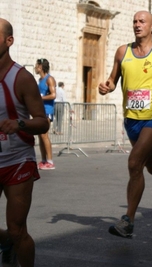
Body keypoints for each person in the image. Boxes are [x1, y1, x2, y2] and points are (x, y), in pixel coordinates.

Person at [98, 10, 152, 238]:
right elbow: (113, 79)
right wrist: (106, 86)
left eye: (142, 21)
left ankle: (128, 221)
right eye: (135, 21)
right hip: (132, 118)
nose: (137, 25)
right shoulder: (122, 52)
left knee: (135, 162)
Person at [0, 18, 49, 267]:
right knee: (11, 233)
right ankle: (6, 241)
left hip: (17, 161)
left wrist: (18, 124)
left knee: (17, 229)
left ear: (9, 41)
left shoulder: (21, 78)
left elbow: (43, 123)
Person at [34, 58, 56, 170]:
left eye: (36, 66)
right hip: (40, 110)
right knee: (40, 136)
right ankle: (43, 161)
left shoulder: (50, 79)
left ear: (40, 67)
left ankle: (50, 161)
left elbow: (53, 95)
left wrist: (40, 98)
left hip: (47, 111)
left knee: (44, 135)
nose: (35, 68)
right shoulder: (40, 80)